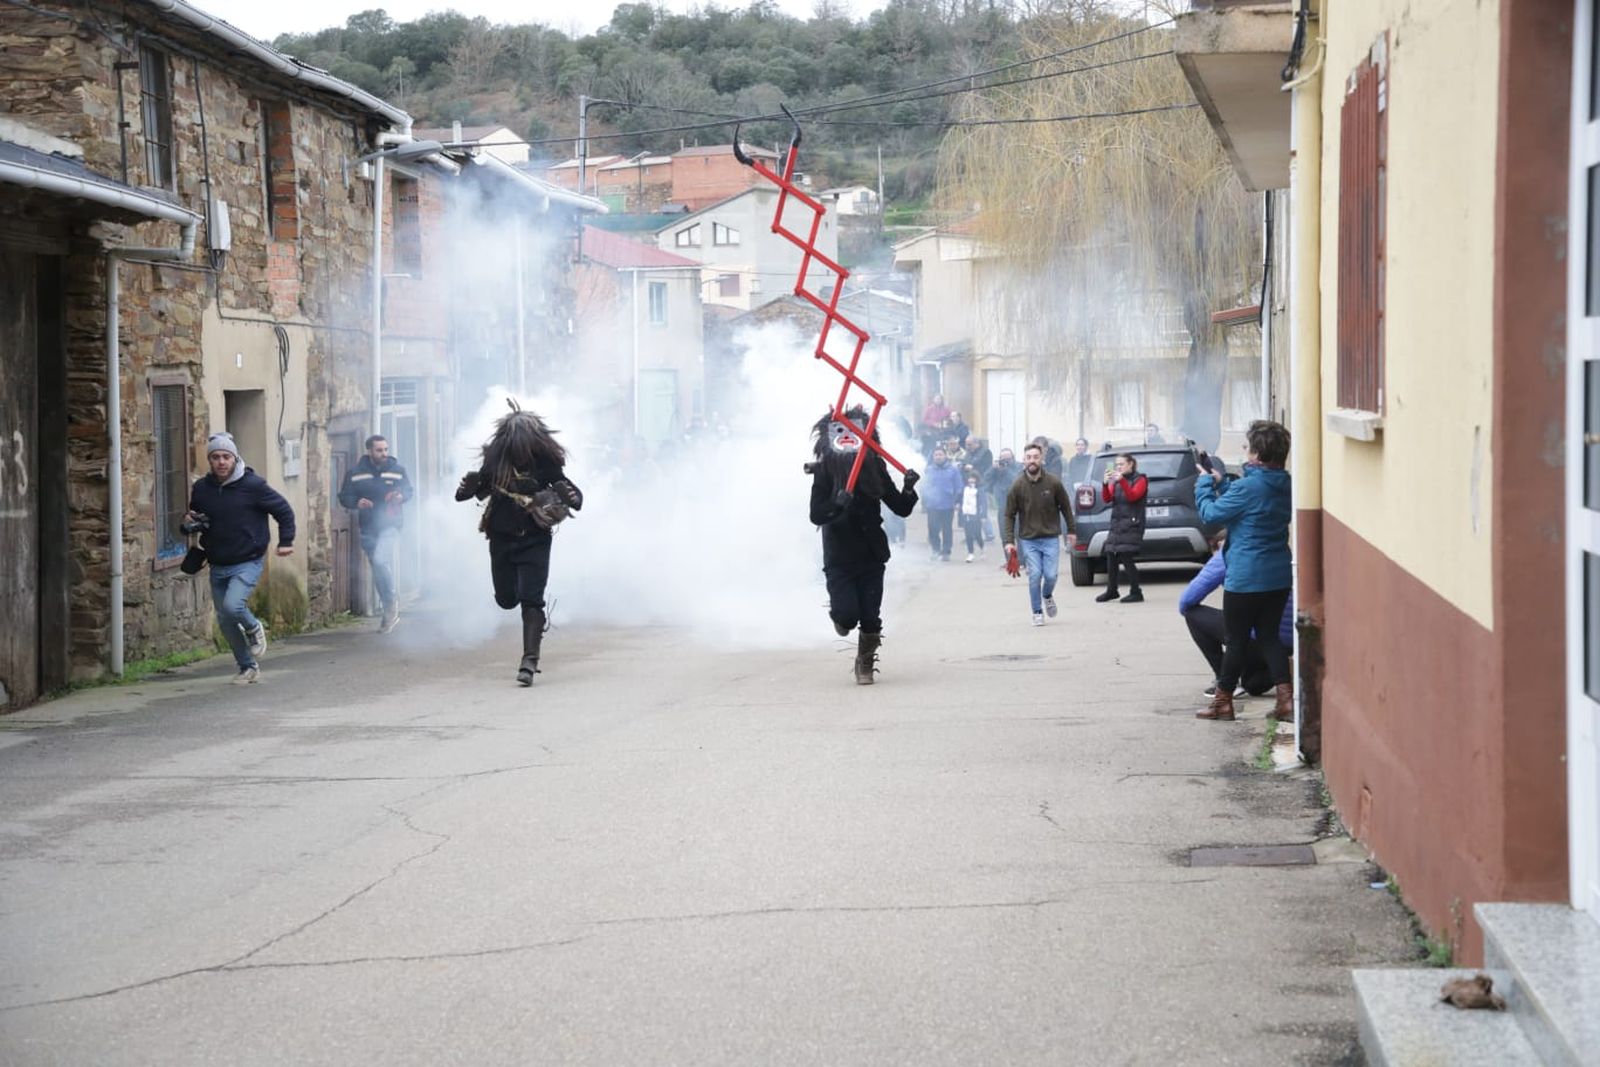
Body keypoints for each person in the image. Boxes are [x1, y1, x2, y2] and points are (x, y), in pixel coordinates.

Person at [455, 401, 583, 687]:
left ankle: (529, 660)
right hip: (501, 539)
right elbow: (469, 493)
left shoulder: (546, 463)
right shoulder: (495, 461)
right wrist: (469, 488)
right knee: (506, 599)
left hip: (536, 539)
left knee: (531, 598)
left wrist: (570, 497)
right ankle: (525, 642)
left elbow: (574, 496)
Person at [809, 406, 920, 684]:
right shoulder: (825, 471)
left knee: (871, 617)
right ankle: (841, 619)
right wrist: (837, 504)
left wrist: (908, 487)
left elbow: (901, 507)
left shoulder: (874, 468)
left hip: (871, 554)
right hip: (840, 558)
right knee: (847, 616)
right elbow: (816, 514)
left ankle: (865, 663)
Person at [1193, 420, 1294, 723]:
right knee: (1268, 637)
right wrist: (1224, 485)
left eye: (1249, 447)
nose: (1246, 451)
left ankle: (1223, 703)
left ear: (1258, 454)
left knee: (1236, 640)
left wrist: (1203, 486)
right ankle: (1286, 702)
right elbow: (1250, 504)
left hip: (1247, 578)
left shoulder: (1248, 487)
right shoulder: (1285, 484)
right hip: (1277, 577)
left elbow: (1211, 514)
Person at [186, 432, 295, 685]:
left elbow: (283, 511)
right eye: (215, 457)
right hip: (217, 561)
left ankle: (255, 627)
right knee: (225, 621)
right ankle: (248, 667)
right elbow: (197, 518)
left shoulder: (253, 485)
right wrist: (189, 524)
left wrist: (286, 541)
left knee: (233, 607)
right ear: (210, 460)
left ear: (235, 458)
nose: (221, 462)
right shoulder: (202, 488)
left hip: (248, 559)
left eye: (226, 456)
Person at [1179, 533, 1294, 698]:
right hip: (1287, 642)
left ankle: (1224, 682)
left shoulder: (1228, 554)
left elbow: (1186, 601)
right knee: (1252, 685)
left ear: (1220, 544)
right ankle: (1283, 671)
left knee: (1193, 614)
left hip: (1257, 637)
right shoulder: (1275, 551)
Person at [337, 434, 413, 633]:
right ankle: (389, 609)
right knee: (377, 567)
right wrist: (356, 502)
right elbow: (344, 496)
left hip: (391, 525)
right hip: (368, 527)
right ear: (369, 451)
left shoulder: (397, 471)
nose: (384, 454)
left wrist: (399, 496)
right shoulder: (355, 473)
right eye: (379, 450)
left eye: (386, 449)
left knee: (380, 561)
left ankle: (390, 604)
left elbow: (408, 491)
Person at [1003, 442, 1076, 626]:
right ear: (1024, 460)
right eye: (1029, 457)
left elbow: (1066, 508)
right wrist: (1009, 541)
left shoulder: (1053, 482)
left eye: (1036, 457)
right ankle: (1037, 611)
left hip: (1050, 537)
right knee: (1035, 575)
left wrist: (1072, 531)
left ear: (1041, 459)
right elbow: (1009, 515)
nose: (1032, 461)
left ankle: (1047, 595)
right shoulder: (1017, 485)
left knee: (1051, 576)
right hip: (1028, 539)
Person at [1096, 453, 1148, 604]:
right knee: (1110, 553)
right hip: (1117, 524)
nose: (1118, 467)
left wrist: (1122, 481)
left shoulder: (1141, 479)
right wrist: (1105, 484)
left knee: (1126, 556)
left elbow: (1133, 496)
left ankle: (1136, 591)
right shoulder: (1117, 481)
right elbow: (1107, 498)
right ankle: (1112, 590)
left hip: (1132, 523)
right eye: (1116, 465)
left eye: (1122, 464)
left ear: (1131, 464)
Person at [920, 447, 962, 561]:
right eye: (936, 455)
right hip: (932, 505)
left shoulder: (953, 470)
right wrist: (924, 502)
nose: (938, 457)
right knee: (933, 528)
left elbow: (958, 486)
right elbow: (924, 486)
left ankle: (946, 551)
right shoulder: (929, 470)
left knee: (947, 529)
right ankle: (935, 550)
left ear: (945, 456)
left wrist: (957, 501)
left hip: (948, 505)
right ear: (933, 457)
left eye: (940, 454)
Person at [983, 448, 1022, 526]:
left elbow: (1017, 479)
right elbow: (985, 477)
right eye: (1003, 459)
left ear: (1013, 457)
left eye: (1008, 459)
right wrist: (992, 469)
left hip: (1016, 500)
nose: (1006, 462)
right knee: (1003, 528)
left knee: (1017, 528)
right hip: (1002, 501)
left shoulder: (1019, 466)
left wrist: (1006, 470)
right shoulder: (997, 466)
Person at [959, 470, 987, 562]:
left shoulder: (980, 489)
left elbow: (983, 503)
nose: (971, 480)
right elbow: (959, 497)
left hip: (976, 515)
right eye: (969, 478)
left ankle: (982, 548)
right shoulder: (964, 488)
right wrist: (956, 503)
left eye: (973, 478)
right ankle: (970, 553)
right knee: (968, 535)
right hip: (966, 514)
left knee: (977, 534)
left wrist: (983, 515)